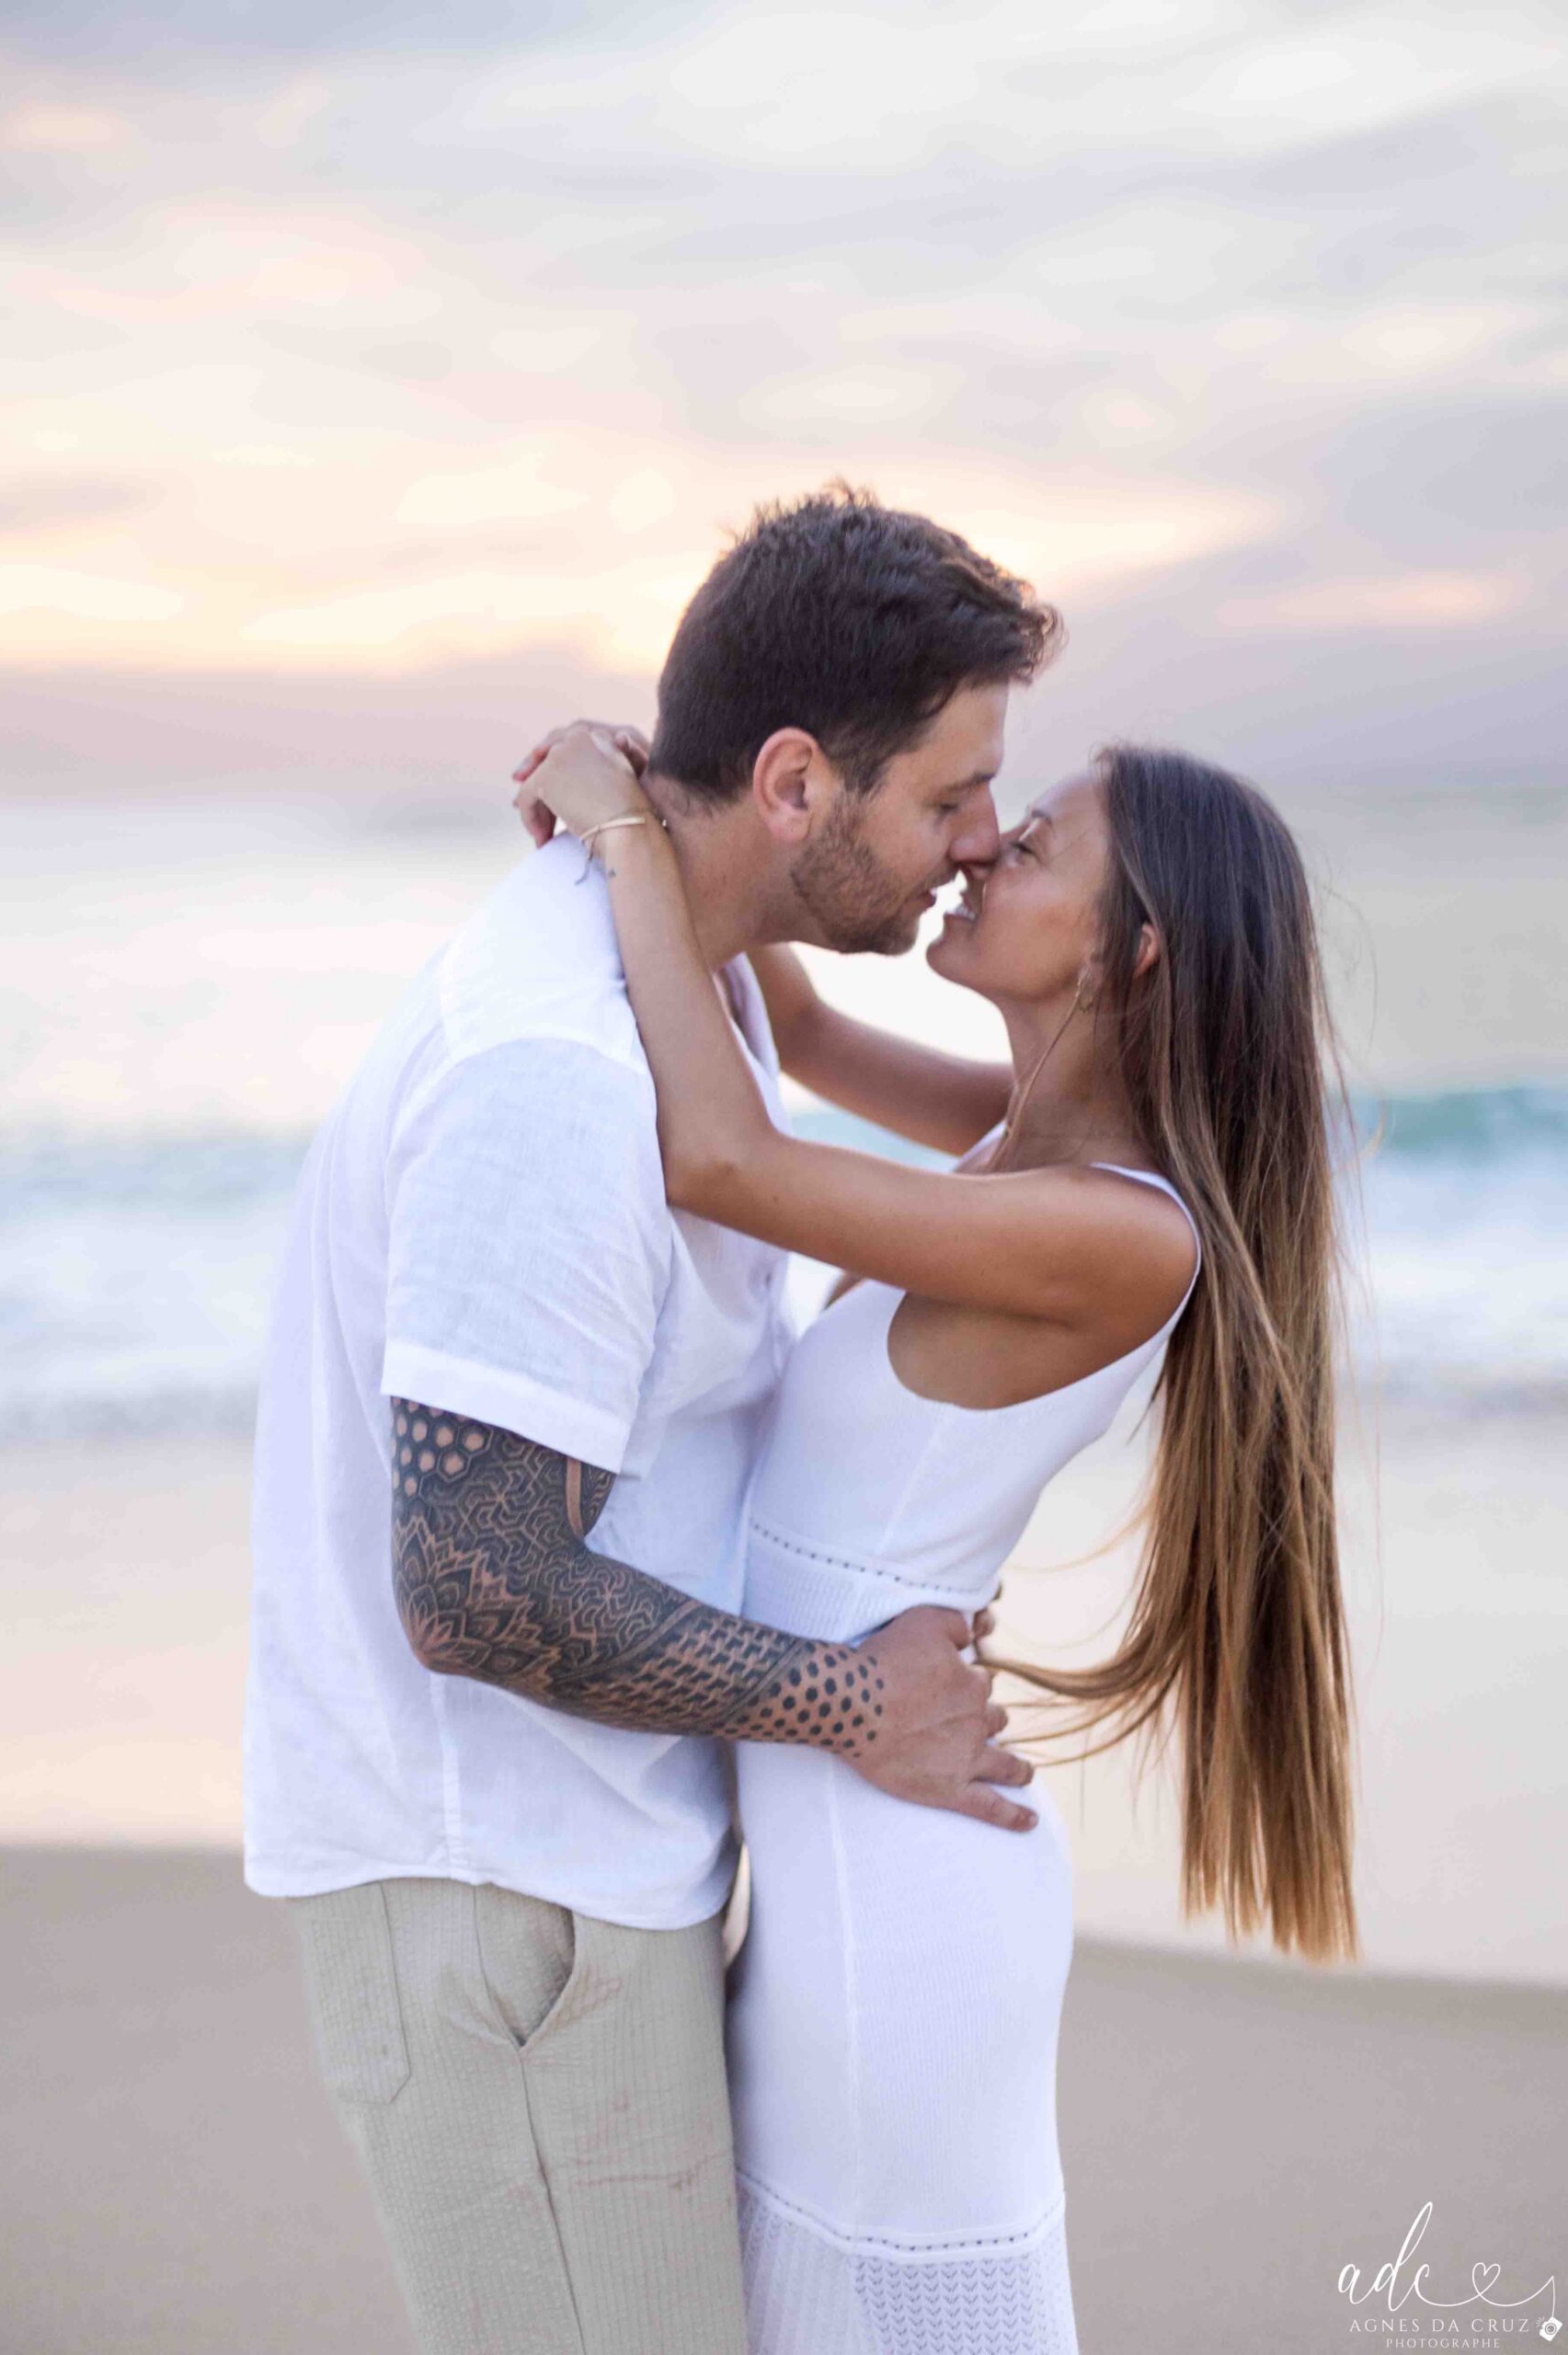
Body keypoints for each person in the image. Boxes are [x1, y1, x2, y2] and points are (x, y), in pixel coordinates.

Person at [242, 485, 1060, 2355]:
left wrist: (627, 798)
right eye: (945, 795)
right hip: (498, 1898)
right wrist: (853, 1698)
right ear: (794, 784)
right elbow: (470, 1577)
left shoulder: (686, 982)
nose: (975, 839)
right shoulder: (557, 1070)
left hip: (587, 1865)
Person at [512, 719, 1362, 2355]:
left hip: (896, 1882)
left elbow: (725, 1154)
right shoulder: (1027, 1129)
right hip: (849, 1815)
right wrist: (696, 807)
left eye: (1033, 845)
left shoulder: (1118, 1230)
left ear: (1133, 952)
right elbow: (799, 1022)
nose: (980, 851)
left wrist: (627, 837)